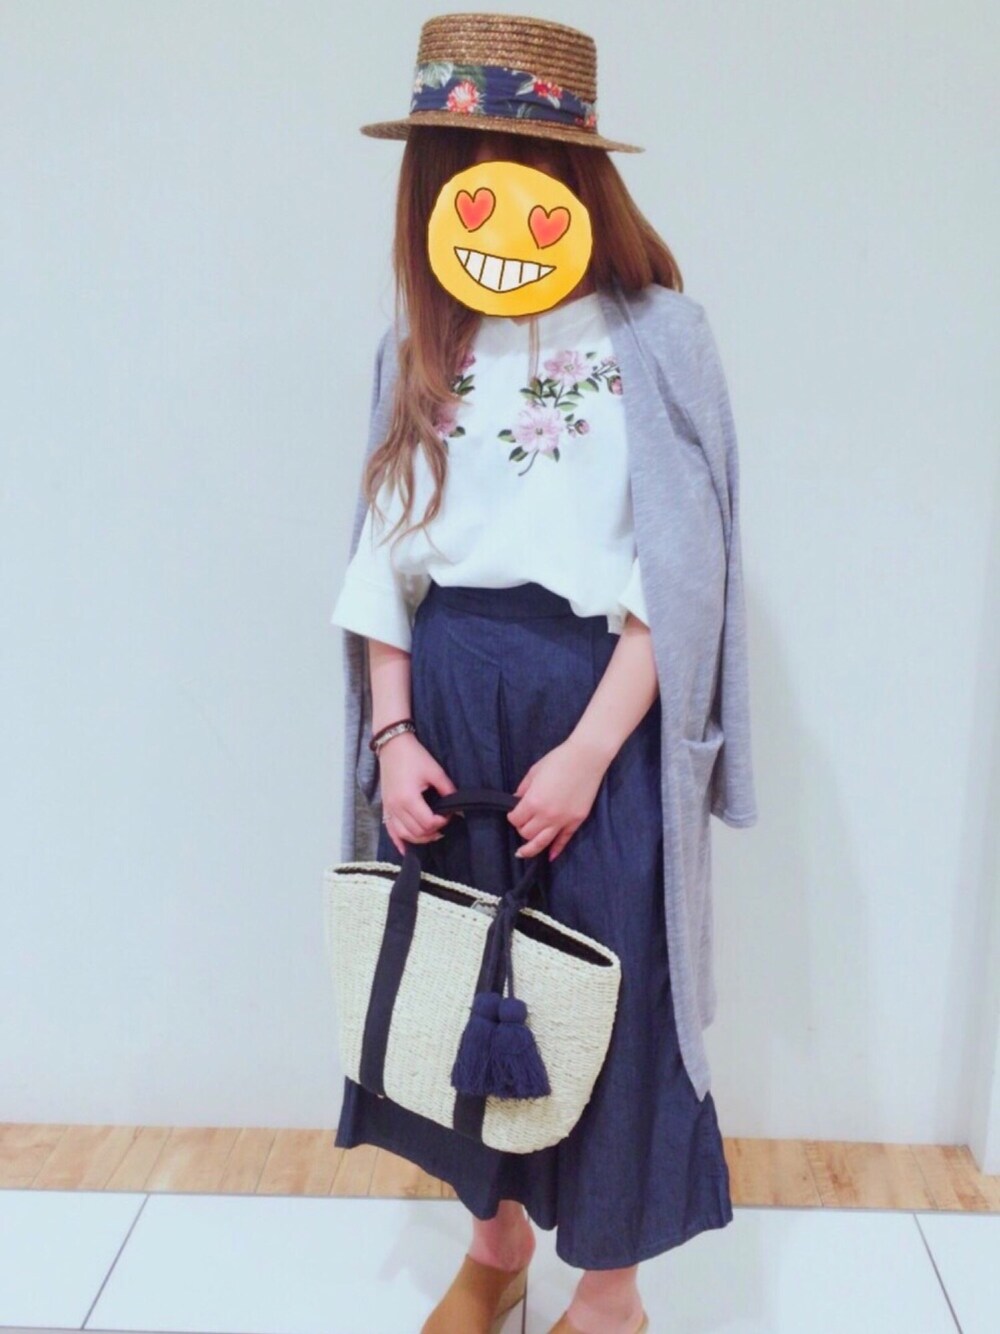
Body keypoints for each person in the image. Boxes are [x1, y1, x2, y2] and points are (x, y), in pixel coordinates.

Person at [330, 14, 758, 1334]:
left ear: (574, 173)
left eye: (512, 157)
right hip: (451, 698)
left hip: (605, 708)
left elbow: (682, 575)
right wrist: (393, 735)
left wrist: (587, 750)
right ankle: (497, 1242)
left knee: (617, 991)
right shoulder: (423, 339)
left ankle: (611, 1298)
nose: (488, 188)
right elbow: (384, 553)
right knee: (459, 974)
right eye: (460, 161)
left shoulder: (661, 336)